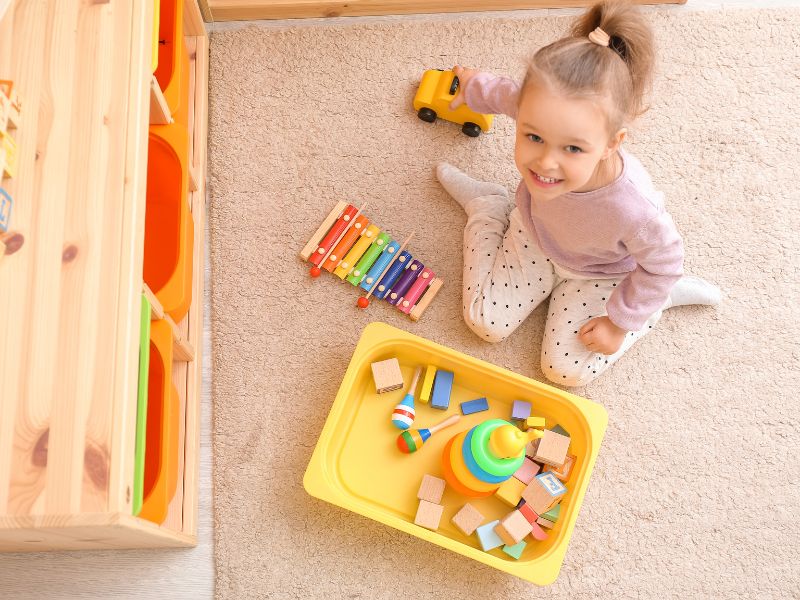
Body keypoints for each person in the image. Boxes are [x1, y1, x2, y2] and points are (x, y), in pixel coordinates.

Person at [436, 0, 721, 386]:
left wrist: (623, 321)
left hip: (600, 275)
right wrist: (472, 86)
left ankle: (660, 303)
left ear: (610, 143)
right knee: (483, 321)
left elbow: (665, 263)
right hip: (536, 237)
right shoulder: (537, 105)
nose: (545, 163)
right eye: (533, 137)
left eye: (572, 148)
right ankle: (489, 206)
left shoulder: (636, 209)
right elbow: (507, 96)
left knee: (565, 371)